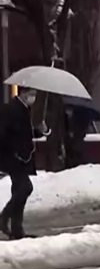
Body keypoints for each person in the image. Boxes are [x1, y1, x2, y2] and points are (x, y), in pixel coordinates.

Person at [0, 87, 50, 239]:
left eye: (34, 94)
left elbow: (26, 133)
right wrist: (13, 150)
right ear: (22, 93)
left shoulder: (26, 110)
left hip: (22, 158)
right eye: (31, 94)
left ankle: (17, 229)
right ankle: (3, 217)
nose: (33, 97)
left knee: (18, 190)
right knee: (25, 188)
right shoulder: (11, 109)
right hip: (13, 158)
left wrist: (42, 130)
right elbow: (4, 133)